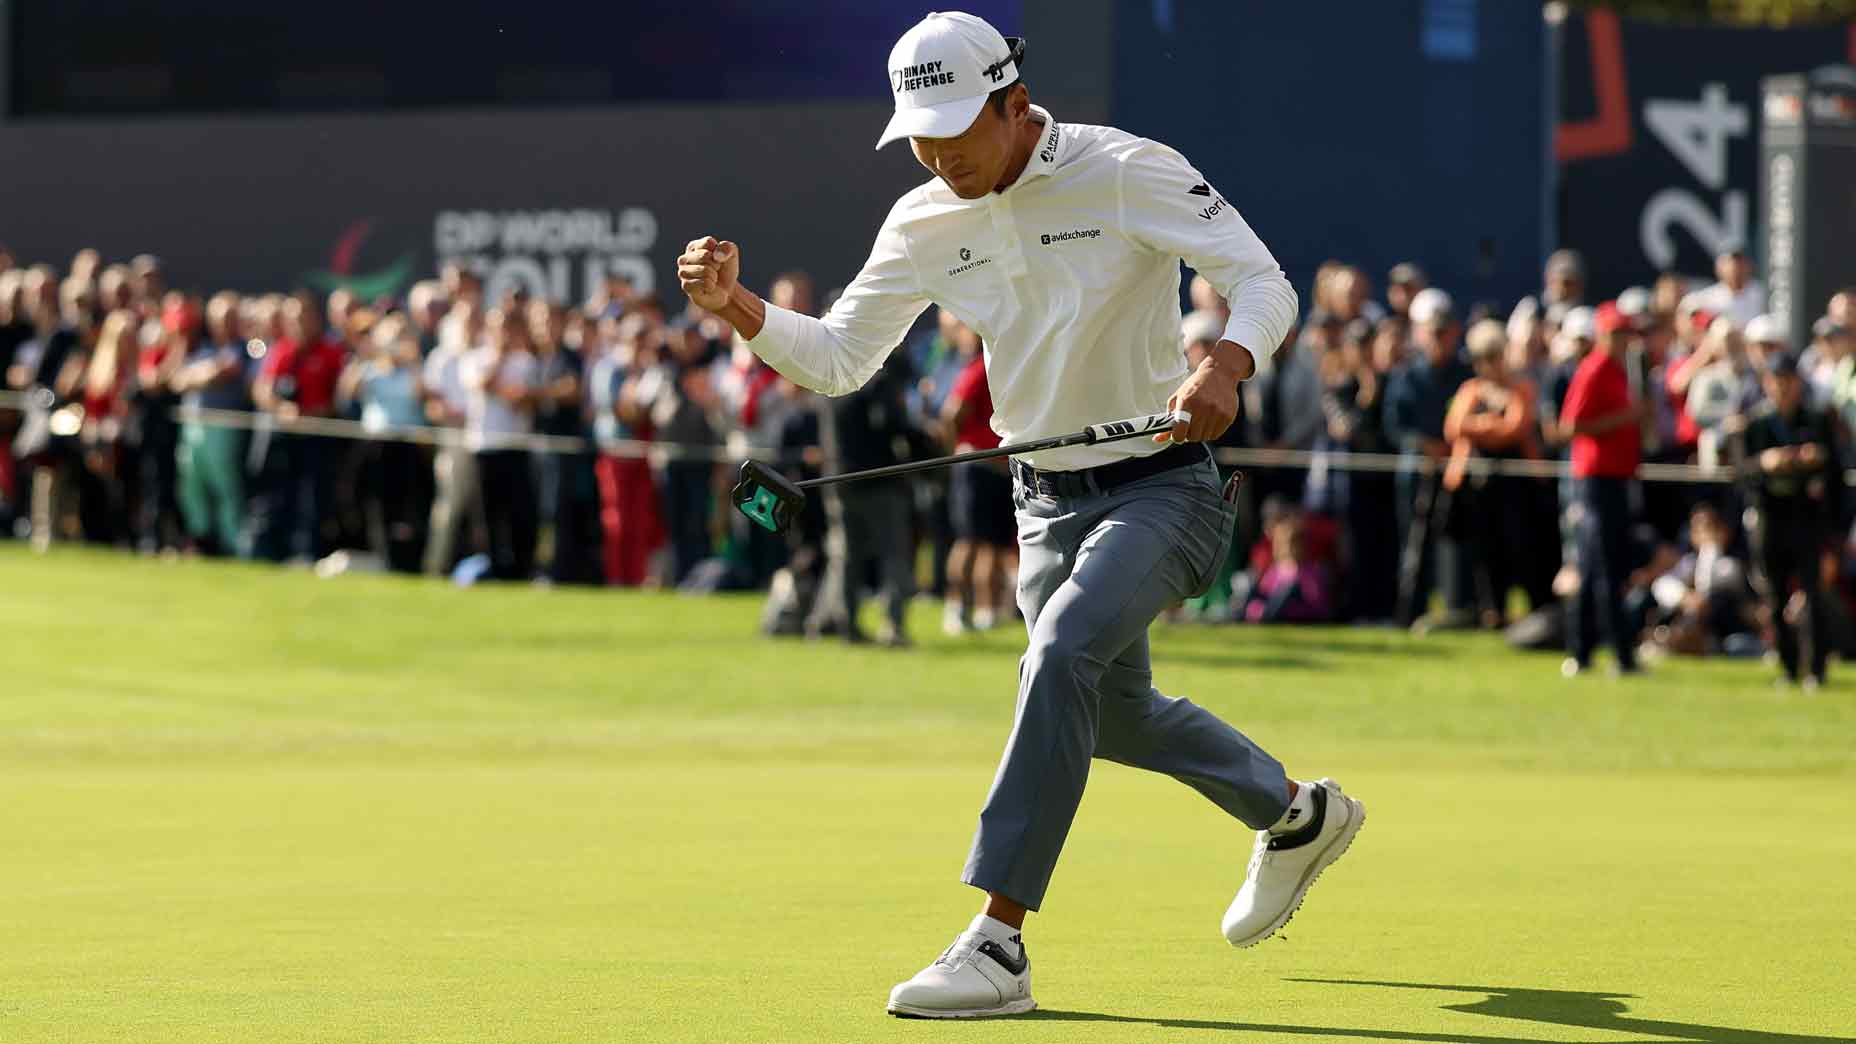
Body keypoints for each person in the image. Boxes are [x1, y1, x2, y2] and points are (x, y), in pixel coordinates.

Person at [676, 12, 1361, 1019]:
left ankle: (996, 944)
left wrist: (1223, 360)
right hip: (1040, 506)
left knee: (1057, 658)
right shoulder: (919, 219)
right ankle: (1294, 816)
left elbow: (1259, 281)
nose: (938, 153)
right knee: (1109, 712)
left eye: (956, 129)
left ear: (1012, 103)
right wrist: (738, 307)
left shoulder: (1123, 169)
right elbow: (837, 358)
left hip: (1164, 488)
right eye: (919, 135)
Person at [1741, 353, 1840, 689]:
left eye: (1788, 380)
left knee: (1813, 594)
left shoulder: (1816, 420)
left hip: (1807, 518)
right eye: (1776, 381)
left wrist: (1816, 460)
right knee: (1775, 595)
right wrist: (1765, 463)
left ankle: (1816, 668)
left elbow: (1835, 474)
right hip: (1771, 517)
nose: (1782, 388)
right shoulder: (1756, 423)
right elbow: (1741, 472)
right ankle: (1787, 665)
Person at [1559, 303, 1645, 677]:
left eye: (1626, 334)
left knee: (1603, 568)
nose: (1623, 341)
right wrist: (1625, 420)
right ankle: (1614, 654)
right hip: (1596, 482)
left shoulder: (1617, 371)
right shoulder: (1593, 369)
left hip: (1615, 479)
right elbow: (1568, 427)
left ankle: (1586, 652)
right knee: (1602, 569)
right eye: (1616, 334)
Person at [1441, 318, 1541, 628]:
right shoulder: (1471, 389)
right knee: (1483, 548)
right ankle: (1491, 609)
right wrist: (1490, 422)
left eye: (1494, 356)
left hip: (1517, 486)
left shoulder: (1521, 387)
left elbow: (1515, 428)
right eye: (1482, 359)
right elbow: (1453, 427)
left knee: (1520, 545)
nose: (1488, 365)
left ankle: (1529, 609)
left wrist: (1478, 425)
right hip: (1477, 484)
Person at [1384, 287, 1473, 628]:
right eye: (1434, 332)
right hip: (1416, 472)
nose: (1440, 339)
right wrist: (1426, 445)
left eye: (1445, 332)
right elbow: (1395, 425)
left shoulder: (1464, 373)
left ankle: (1458, 607)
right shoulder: (1407, 374)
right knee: (1413, 546)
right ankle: (1411, 611)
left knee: (1457, 542)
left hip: (1456, 471)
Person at [250, 290, 346, 562]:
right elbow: (263, 389)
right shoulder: (282, 350)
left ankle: (310, 553)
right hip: (285, 439)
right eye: (293, 319)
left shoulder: (331, 352)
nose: (299, 324)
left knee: (314, 500)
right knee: (280, 498)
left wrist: (312, 414)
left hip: (318, 438)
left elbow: (338, 399)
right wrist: (282, 408)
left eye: (304, 317)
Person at [939, 315, 1012, 635]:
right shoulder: (981, 367)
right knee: (969, 541)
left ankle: (986, 609)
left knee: (994, 544)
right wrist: (959, 447)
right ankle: (956, 607)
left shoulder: (997, 368)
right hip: (977, 466)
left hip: (999, 466)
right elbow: (952, 413)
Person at [461, 307, 540, 581]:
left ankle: (522, 569)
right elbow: (483, 385)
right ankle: (493, 566)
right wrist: (500, 363)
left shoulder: (526, 362)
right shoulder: (476, 358)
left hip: (516, 445)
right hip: (484, 446)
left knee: (519, 511)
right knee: (488, 514)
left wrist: (508, 393)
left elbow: (526, 402)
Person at [172, 291, 251, 556]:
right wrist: (204, 373)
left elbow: (223, 372)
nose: (222, 324)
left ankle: (233, 544)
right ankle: (201, 539)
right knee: (192, 485)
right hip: (194, 426)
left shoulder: (245, 348)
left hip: (223, 427)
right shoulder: (204, 349)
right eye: (217, 318)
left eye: (228, 318)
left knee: (226, 486)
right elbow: (178, 380)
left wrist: (201, 374)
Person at [1684, 242, 1764, 328]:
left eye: (1740, 263)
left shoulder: (1762, 292)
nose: (1736, 269)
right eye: (1730, 263)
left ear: (1748, 266)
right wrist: (1711, 324)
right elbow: (1688, 310)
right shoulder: (1707, 297)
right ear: (1719, 268)